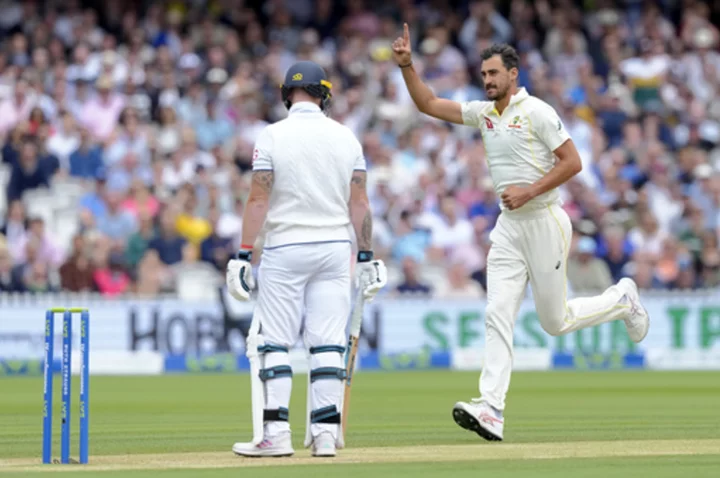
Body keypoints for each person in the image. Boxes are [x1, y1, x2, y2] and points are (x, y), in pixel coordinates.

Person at [391, 24, 650, 442]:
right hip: (508, 228)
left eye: (494, 73)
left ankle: (622, 299)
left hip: (545, 220)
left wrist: (530, 190)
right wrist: (407, 67)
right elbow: (429, 104)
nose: (488, 80)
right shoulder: (484, 113)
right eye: (484, 75)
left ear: (513, 74)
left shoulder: (538, 112)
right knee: (498, 314)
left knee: (555, 321)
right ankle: (491, 408)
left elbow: (573, 162)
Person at [225, 61, 387, 458]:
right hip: (335, 249)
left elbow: (259, 198)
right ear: (325, 94)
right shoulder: (346, 137)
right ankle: (326, 433)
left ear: (286, 95)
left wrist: (243, 255)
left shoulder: (271, 135)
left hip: (285, 246)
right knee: (328, 343)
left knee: (275, 342)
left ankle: (277, 433)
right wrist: (366, 256)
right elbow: (360, 202)